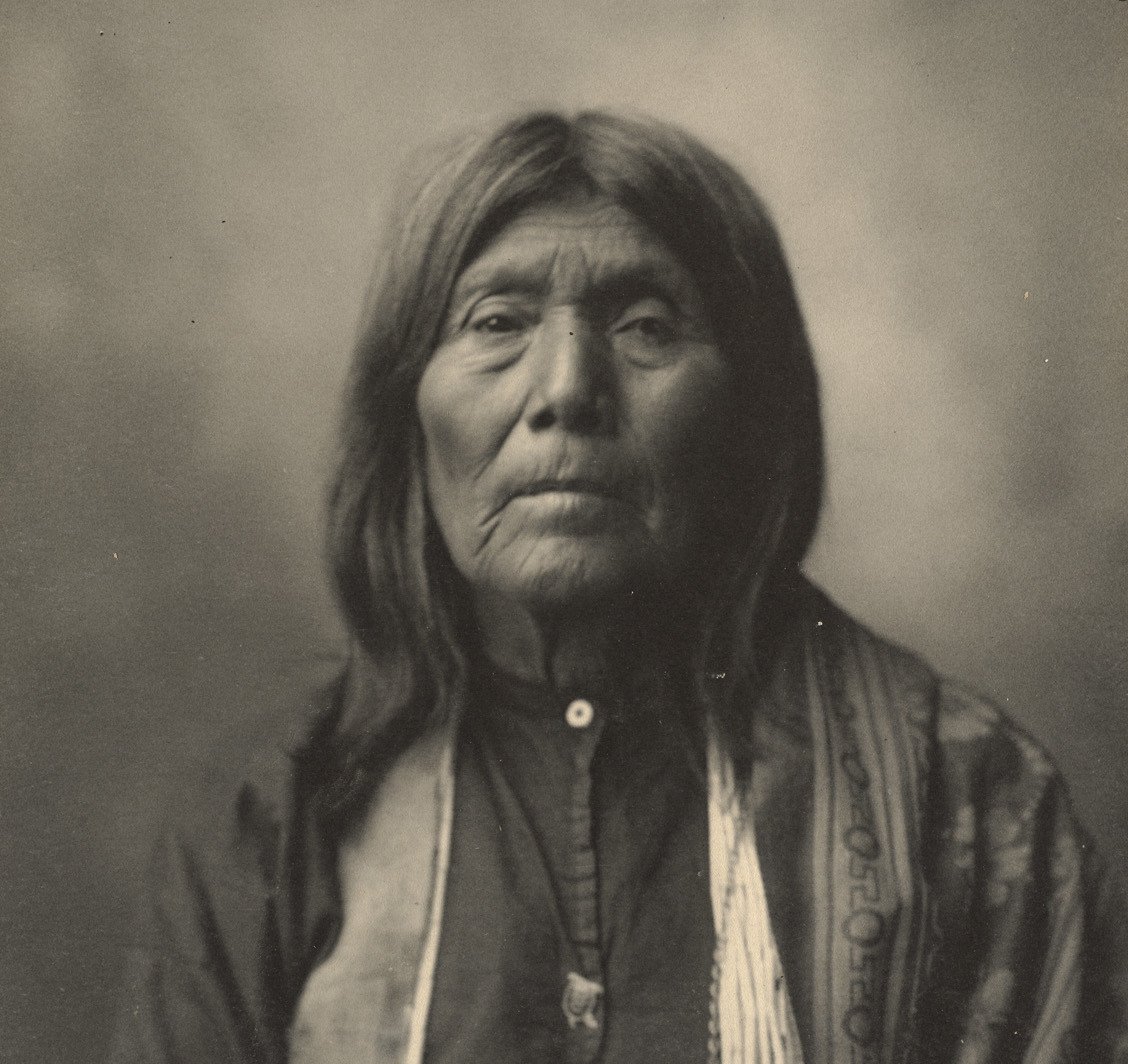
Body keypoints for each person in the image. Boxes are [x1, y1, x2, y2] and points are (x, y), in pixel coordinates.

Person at [107, 110, 1128, 1064]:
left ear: (753, 416)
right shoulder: (273, 820)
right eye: (496, 320)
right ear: (404, 412)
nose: (565, 389)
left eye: (644, 326)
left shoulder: (968, 802)